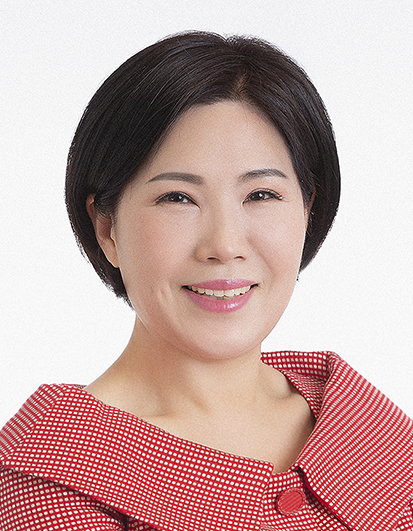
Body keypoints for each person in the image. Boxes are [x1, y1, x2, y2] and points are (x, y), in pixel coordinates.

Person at [0, 31, 412, 531]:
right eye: (178, 198)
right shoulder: (51, 478)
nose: (225, 244)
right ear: (106, 228)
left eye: (261, 195)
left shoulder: (363, 424)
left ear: (308, 210)